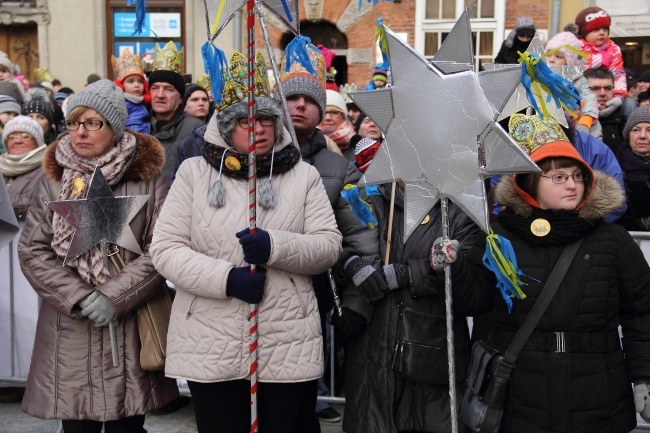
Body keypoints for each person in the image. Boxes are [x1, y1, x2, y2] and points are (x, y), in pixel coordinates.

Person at [149, 61, 342, 433]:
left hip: (286, 338)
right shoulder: (193, 173)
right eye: (245, 121)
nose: (258, 129)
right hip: (209, 336)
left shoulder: (303, 176)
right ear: (225, 127)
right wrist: (226, 279)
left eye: (266, 120)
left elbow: (328, 246)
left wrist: (275, 246)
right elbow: (166, 249)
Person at [438, 113, 650, 433]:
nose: (572, 184)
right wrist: (455, 268)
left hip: (597, 392)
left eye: (577, 176)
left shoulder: (612, 239)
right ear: (530, 183)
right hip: (520, 391)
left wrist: (645, 378)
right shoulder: (500, 238)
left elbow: (642, 312)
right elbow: (476, 302)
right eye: (558, 177)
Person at [17, 79, 178, 431]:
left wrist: (113, 297)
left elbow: (161, 248)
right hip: (68, 325)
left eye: (93, 123)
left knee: (127, 425)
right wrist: (79, 296)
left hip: (128, 325)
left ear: (115, 127)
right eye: (74, 123)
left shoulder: (148, 178)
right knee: (76, 426)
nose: (81, 132)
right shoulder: (52, 179)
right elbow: (32, 248)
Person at [279, 38, 382, 423]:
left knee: (299, 404)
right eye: (291, 99)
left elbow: (361, 232)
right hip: (258, 298)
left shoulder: (339, 166)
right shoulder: (254, 160)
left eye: (308, 100)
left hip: (315, 297)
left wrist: (355, 301)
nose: (300, 105)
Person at [338, 179, 481, 433]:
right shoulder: (368, 199)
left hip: (431, 363)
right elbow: (336, 245)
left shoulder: (460, 208)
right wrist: (350, 264)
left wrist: (412, 273)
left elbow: (473, 293)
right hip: (372, 359)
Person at [0, 116, 46, 402]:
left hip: (28, 251)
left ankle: (32, 375)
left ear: (37, 141)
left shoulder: (45, 168)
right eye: (12, 136)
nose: (17, 140)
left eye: (24, 136)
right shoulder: (2, 168)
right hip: (2, 259)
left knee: (29, 315)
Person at [148, 41, 203, 179]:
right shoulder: (137, 126)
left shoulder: (196, 130)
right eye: (155, 88)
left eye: (168, 89)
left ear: (180, 99)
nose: (160, 95)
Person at [545, 29, 600, 138]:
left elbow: (589, 101)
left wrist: (585, 121)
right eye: (549, 54)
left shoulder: (578, 81)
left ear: (569, 62)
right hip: (547, 127)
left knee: (596, 129)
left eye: (558, 56)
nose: (551, 60)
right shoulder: (540, 78)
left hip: (572, 127)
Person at [575, 7, 627, 102]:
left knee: (628, 104)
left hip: (605, 94)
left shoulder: (613, 50)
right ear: (583, 33)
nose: (602, 33)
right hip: (579, 94)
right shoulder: (575, 48)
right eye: (596, 30)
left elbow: (618, 73)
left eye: (605, 29)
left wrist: (619, 96)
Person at [616, 106, 650, 231]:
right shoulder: (614, 168)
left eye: (649, 130)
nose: (642, 136)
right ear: (628, 135)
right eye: (636, 130)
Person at [585, 67, 626, 153]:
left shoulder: (624, 122)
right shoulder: (574, 120)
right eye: (595, 88)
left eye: (608, 88)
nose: (602, 93)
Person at [112, 48, 151, 135]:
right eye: (131, 81)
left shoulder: (141, 103)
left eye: (140, 81)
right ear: (122, 85)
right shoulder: (122, 104)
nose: (136, 85)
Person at [319, 89, 355, 160]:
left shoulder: (356, 143)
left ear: (344, 116)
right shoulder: (306, 142)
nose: (328, 118)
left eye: (334, 112)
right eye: (324, 112)